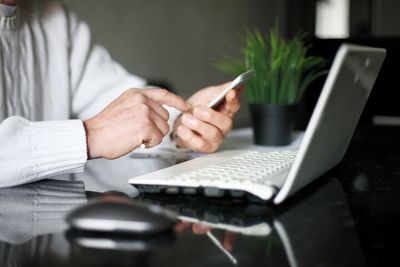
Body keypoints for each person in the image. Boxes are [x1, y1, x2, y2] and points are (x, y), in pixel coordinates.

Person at [0, 0, 241, 186]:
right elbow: (104, 128)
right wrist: (91, 135)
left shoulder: (56, 20)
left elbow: (114, 100)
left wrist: (181, 122)